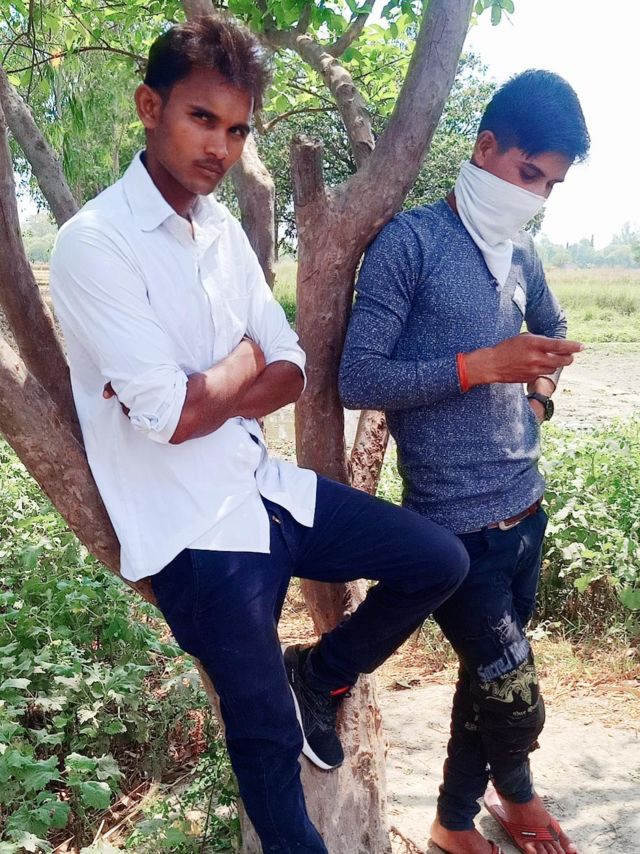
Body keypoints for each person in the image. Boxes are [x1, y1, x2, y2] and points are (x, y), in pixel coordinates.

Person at [49, 15, 469, 854]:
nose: (221, 146)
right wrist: (243, 363)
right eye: (202, 118)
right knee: (267, 741)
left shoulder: (222, 234)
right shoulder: (95, 244)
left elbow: (293, 368)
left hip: (263, 489)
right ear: (149, 107)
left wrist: (218, 381)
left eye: (238, 130)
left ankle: (320, 670)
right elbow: (173, 419)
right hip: (192, 532)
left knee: (438, 561)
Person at [339, 70, 590, 854]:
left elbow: (552, 332)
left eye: (550, 185)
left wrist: (539, 396)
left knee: (487, 680)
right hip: (456, 529)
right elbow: (359, 378)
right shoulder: (409, 244)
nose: (535, 196)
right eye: (528, 173)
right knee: (516, 699)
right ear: (485, 148)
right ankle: (503, 792)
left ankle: (463, 817)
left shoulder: (521, 254)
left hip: (527, 510)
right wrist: (481, 367)